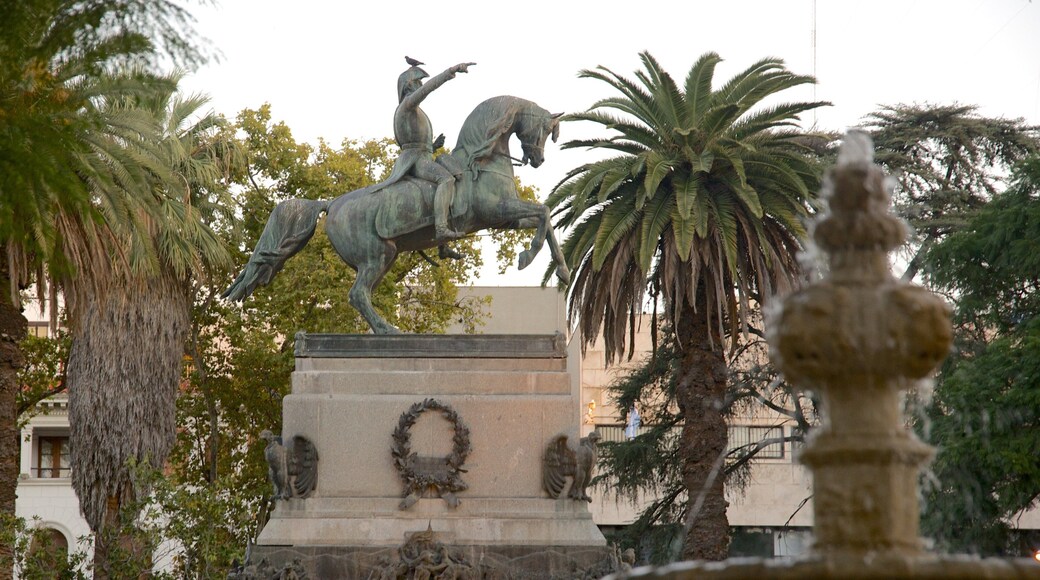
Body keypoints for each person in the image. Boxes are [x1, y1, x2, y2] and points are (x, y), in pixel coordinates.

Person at [374, 57, 475, 254]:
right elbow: (427, 90)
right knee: (445, 180)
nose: (420, 85)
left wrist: (434, 145)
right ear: (409, 85)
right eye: (417, 83)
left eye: (420, 82)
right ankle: (441, 230)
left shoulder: (414, 111)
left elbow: (417, 141)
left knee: (457, 173)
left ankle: (442, 246)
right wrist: (450, 72)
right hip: (416, 160)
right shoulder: (407, 105)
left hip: (424, 155)